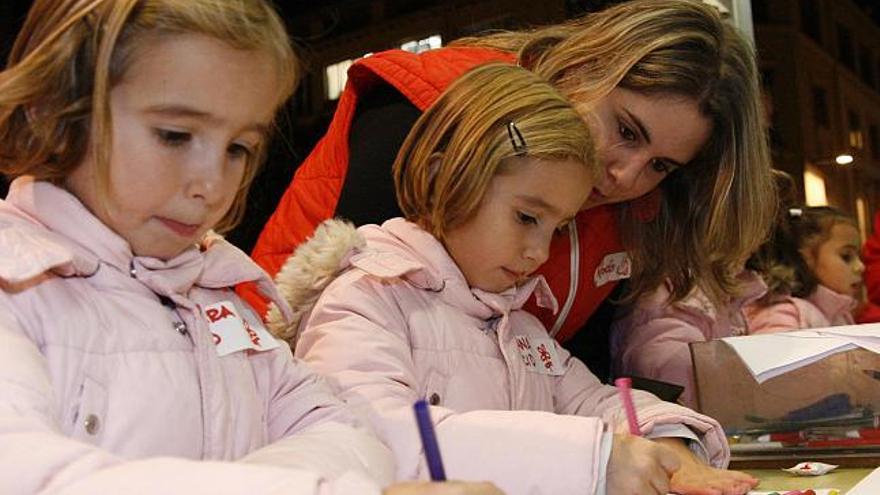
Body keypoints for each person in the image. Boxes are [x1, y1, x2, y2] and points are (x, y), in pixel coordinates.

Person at [0, 2, 503, 494]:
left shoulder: (223, 301)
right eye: (175, 135)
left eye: (238, 147)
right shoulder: (13, 286)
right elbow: (30, 474)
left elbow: (347, 431)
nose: (211, 185)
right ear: (55, 111)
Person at [272, 62, 759, 495]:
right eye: (528, 218)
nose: (540, 252)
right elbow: (368, 438)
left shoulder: (520, 327)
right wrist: (592, 460)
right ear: (446, 177)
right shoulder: (364, 299)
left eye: (558, 228)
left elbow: (596, 401)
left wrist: (669, 441)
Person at [242, 0, 775, 376]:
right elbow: (352, 348)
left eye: (661, 164)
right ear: (586, 65)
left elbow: (572, 366)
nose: (624, 176)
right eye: (626, 130)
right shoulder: (430, 114)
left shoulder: (627, 209)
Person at [609, 170, 801, 408]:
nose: (761, 235)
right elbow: (672, 379)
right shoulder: (673, 296)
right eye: (750, 219)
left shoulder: (718, 294)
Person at [745, 206, 863, 332]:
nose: (860, 266)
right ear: (805, 257)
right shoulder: (783, 316)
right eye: (846, 256)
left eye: (859, 255)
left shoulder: (840, 315)